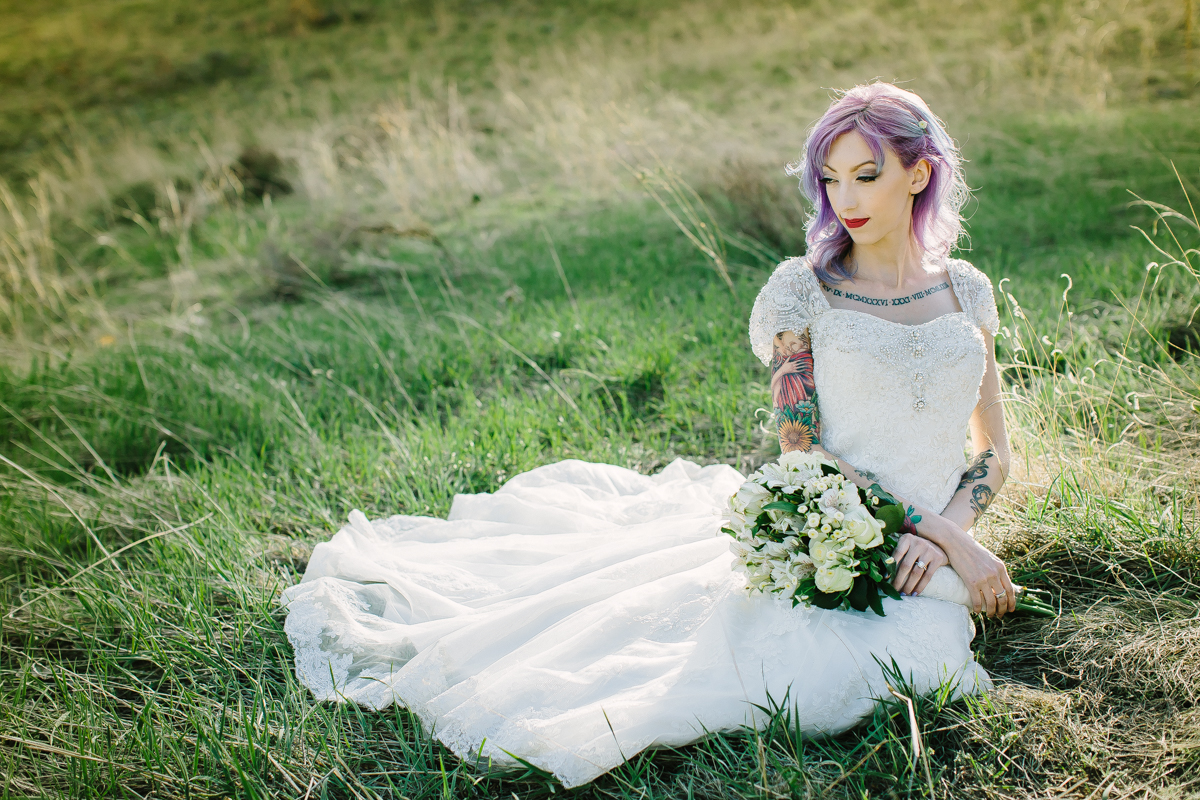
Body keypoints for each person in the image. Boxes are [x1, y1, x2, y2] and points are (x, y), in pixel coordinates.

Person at [281, 82, 1013, 788]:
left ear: (919, 174)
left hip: (934, 539)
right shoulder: (805, 288)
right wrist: (953, 545)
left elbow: (993, 450)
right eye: (831, 180)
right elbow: (804, 452)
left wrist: (951, 532)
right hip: (838, 520)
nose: (845, 200)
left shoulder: (965, 290)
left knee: (928, 666)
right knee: (874, 676)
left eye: (866, 175)